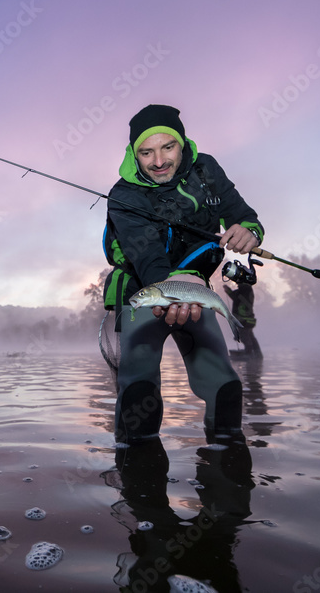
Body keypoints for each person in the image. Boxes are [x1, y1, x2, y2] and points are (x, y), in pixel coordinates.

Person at [103, 104, 263, 442]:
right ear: (134, 153)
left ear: (182, 142)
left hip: (194, 289)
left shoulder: (206, 169)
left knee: (226, 387)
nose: (158, 161)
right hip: (145, 290)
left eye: (168, 147)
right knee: (138, 391)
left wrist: (250, 231)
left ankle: (227, 468)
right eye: (146, 152)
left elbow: (242, 214)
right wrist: (173, 284)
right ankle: (136, 473)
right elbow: (145, 255)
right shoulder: (122, 195)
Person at [223, 282, 263, 359]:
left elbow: (236, 297)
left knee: (244, 337)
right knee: (250, 336)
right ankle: (257, 354)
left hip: (244, 320)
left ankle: (249, 354)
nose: (237, 284)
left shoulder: (245, 291)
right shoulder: (245, 290)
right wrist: (228, 290)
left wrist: (228, 290)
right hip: (247, 320)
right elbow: (235, 296)